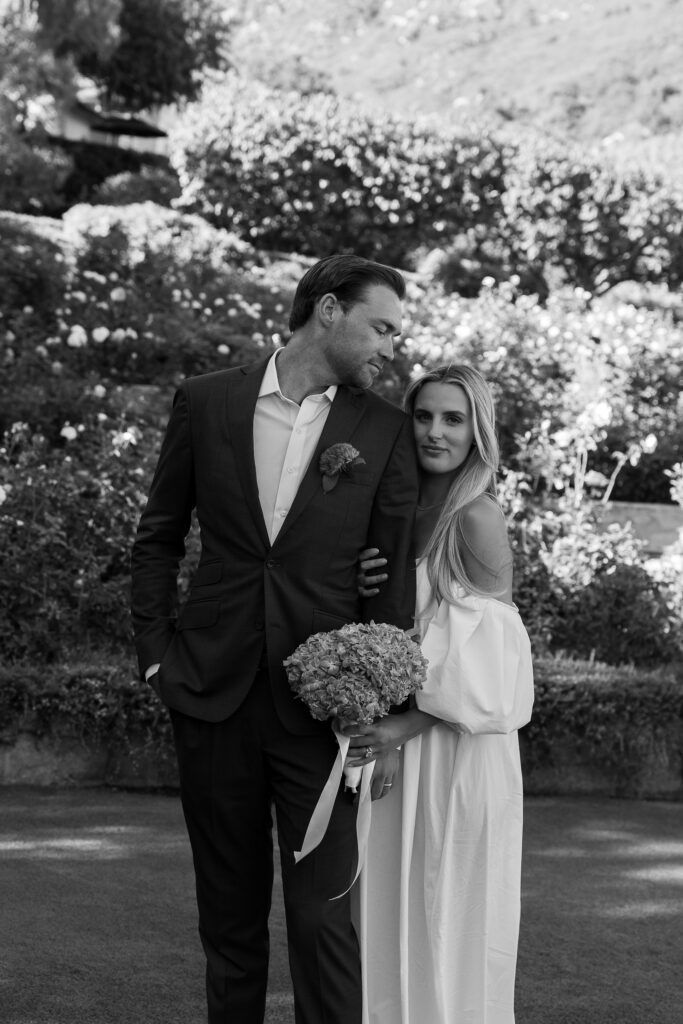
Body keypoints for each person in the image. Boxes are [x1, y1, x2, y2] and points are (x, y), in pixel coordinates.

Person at [130, 254, 419, 1024]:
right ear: (328, 310)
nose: (392, 345)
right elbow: (157, 537)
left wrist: (381, 710)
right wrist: (156, 656)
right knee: (227, 920)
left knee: (324, 920)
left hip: (323, 713)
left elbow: (389, 580)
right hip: (209, 691)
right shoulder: (207, 401)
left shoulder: (384, 429)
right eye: (381, 326)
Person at [343, 363, 534, 1023]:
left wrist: (397, 731)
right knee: (388, 909)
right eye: (422, 415)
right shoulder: (394, 506)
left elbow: (488, 659)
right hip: (396, 740)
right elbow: (389, 626)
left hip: (453, 752)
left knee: (447, 912)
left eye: (452, 418)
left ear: (476, 428)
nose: (433, 431)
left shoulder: (476, 515)